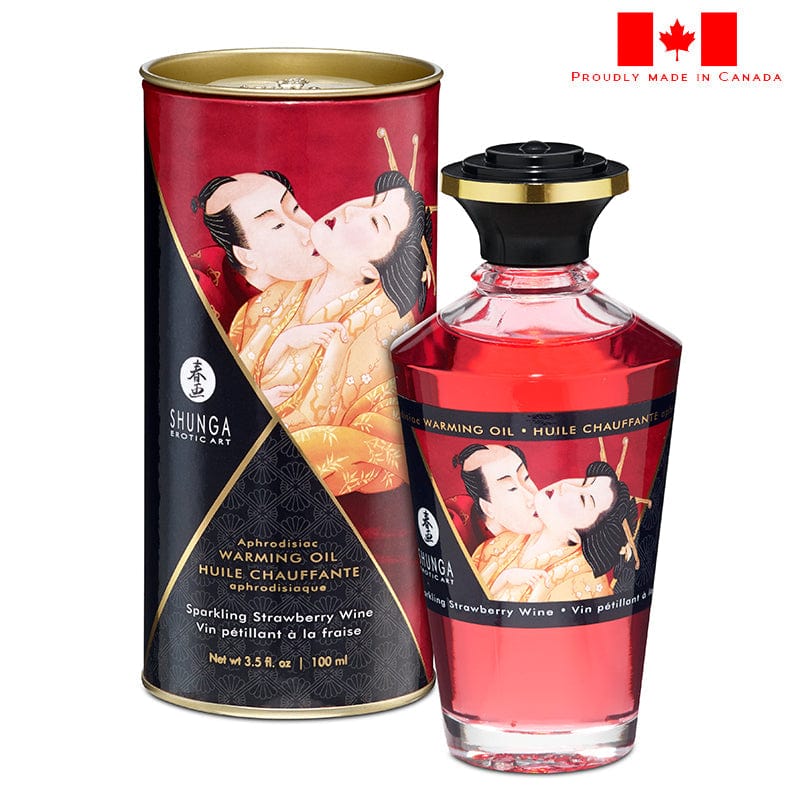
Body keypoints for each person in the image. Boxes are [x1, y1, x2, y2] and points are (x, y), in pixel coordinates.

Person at [229, 170, 432, 496]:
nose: (351, 210)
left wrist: (255, 415)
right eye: (370, 201)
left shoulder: (387, 328)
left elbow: (365, 439)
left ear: (372, 269)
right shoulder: (275, 297)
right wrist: (281, 347)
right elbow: (225, 387)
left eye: (375, 221)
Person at [472, 461, 639, 602]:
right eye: (583, 482)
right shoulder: (503, 542)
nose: (565, 486)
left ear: (576, 536)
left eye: (583, 499)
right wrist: (505, 577)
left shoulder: (580, 582)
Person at [190, 171, 324, 329]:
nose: (308, 233)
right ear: (246, 256)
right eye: (277, 226)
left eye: (295, 209)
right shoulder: (206, 294)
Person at [450, 444, 541, 555]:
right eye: (512, 488)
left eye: (526, 478)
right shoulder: (460, 532)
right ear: (488, 508)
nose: (532, 497)